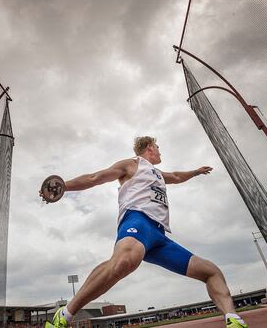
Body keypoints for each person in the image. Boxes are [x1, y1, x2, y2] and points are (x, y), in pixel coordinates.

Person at [40, 136, 246, 328]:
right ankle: (64, 315)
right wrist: (62, 186)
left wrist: (195, 172)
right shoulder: (132, 164)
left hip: (159, 238)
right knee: (125, 261)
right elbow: (96, 177)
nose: (159, 151)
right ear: (149, 148)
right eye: (158, 147)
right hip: (137, 221)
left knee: (211, 271)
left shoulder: (158, 174)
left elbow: (175, 175)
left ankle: (233, 319)